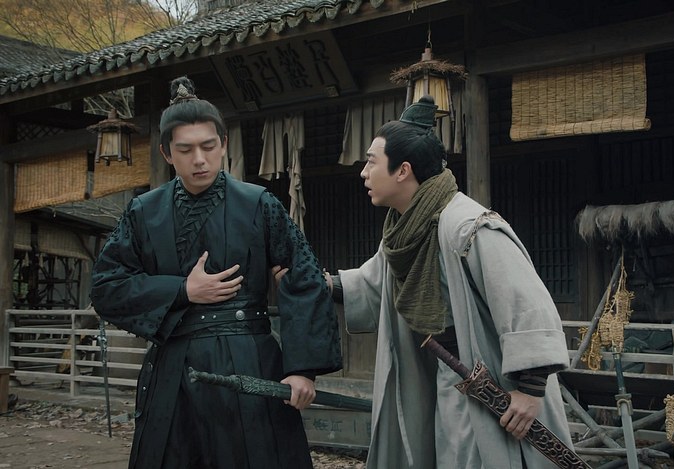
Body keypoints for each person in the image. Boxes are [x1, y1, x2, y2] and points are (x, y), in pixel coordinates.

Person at [90, 76, 341, 469]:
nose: (199, 159)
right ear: (166, 152)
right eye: (185, 149)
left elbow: (304, 277)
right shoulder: (144, 212)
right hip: (174, 368)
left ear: (224, 144)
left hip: (249, 360)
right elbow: (106, 288)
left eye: (208, 146)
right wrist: (182, 291)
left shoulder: (259, 204)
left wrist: (301, 369)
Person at [332, 96, 573, 468]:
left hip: (494, 379)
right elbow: (375, 283)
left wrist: (530, 390)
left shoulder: (467, 225)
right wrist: (316, 284)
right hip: (450, 374)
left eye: (371, 162)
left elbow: (527, 303)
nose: (364, 172)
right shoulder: (403, 228)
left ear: (402, 170)